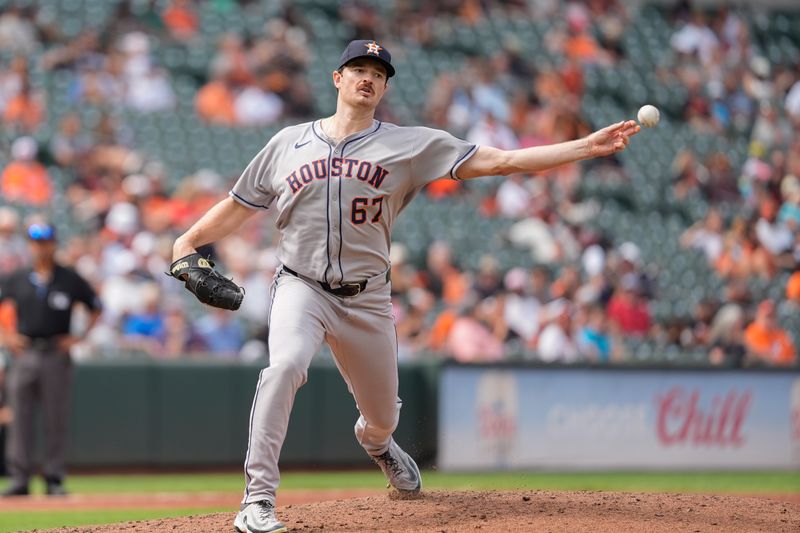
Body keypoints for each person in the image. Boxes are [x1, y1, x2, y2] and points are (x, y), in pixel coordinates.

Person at [171, 39, 639, 533]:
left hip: (369, 298)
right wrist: (186, 242)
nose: (367, 77)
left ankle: (377, 445)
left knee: (381, 419)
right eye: (358, 68)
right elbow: (239, 205)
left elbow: (500, 161)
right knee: (284, 366)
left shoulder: (410, 144)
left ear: (386, 86)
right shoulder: (287, 143)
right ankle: (258, 499)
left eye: (378, 72)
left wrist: (585, 146)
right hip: (300, 286)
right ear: (338, 78)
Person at [0, 223, 101, 497]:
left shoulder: (68, 278)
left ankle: (54, 477)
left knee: (55, 418)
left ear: (53, 243)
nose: (40, 246)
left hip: (56, 352)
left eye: (45, 241)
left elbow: (96, 306)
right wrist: (6, 336)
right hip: (25, 352)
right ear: (29, 245)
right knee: (20, 418)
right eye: (35, 241)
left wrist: (79, 336)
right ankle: (19, 478)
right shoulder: (17, 277)